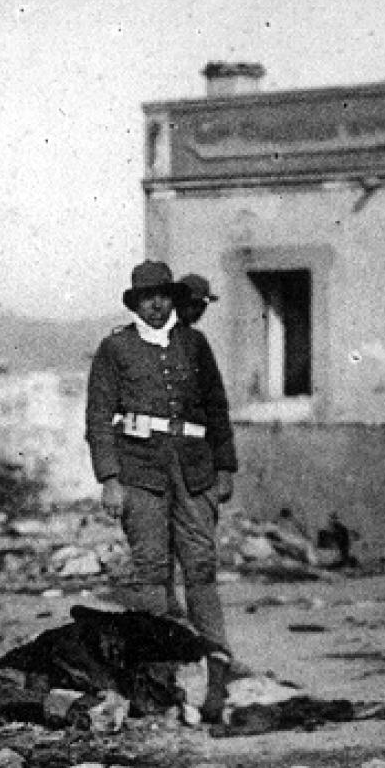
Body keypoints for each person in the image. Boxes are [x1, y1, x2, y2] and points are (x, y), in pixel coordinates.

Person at [85, 261, 238, 724]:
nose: (156, 304)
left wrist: (225, 466)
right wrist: (110, 479)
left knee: (201, 566)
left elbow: (217, 407)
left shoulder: (194, 344)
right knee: (152, 571)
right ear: (135, 303)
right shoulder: (115, 348)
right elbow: (98, 417)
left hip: (194, 470)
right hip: (140, 472)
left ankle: (217, 669)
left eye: (163, 296)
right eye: (146, 297)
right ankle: (159, 675)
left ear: (173, 299)